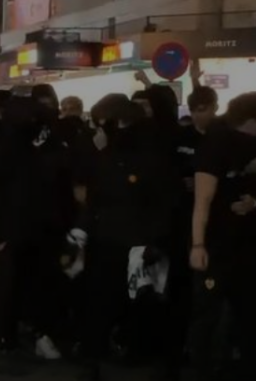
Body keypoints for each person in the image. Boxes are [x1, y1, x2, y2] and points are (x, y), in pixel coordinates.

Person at [77, 96, 179, 381]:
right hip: (128, 238)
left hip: (129, 239)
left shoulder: (129, 152)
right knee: (136, 301)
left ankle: (113, 356)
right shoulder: (144, 147)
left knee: (118, 301)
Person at [0, 96, 72, 371]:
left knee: (18, 291)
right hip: (6, 236)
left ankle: (11, 343)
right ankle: (1, 347)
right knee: (3, 293)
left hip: (24, 233)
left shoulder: (22, 149)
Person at [190, 92, 256, 381]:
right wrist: (198, 244)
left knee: (247, 312)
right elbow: (202, 200)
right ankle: (204, 371)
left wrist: (254, 203)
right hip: (217, 244)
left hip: (246, 244)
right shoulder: (217, 144)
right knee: (208, 315)